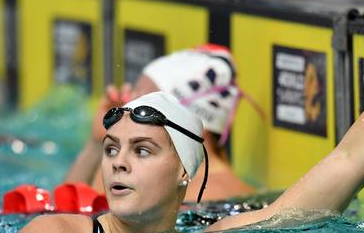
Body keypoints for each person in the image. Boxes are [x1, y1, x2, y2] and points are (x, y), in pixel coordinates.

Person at [11, 0, 364, 233]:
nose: (118, 163)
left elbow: (352, 158)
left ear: (186, 171)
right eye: (112, 148)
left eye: (143, 150)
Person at [63, 44, 257, 202]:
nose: (127, 108)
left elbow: (97, 229)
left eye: (144, 106)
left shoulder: (205, 196)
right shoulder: (163, 186)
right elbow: (65, 214)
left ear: (192, 123)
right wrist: (97, 142)